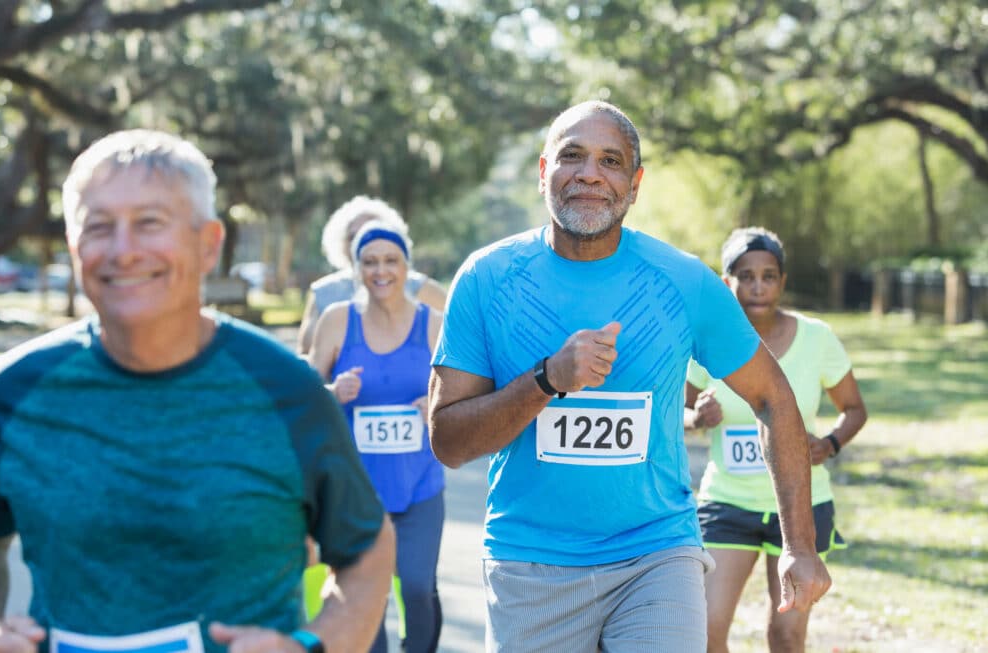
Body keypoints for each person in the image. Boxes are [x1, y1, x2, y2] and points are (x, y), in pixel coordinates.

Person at [0, 129, 395, 653]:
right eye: (99, 228)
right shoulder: (11, 394)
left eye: (150, 223)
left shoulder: (287, 391)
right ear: (77, 249)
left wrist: (312, 645)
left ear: (208, 243)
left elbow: (368, 551)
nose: (124, 251)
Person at [428, 101, 832, 652]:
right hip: (529, 562)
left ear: (634, 184)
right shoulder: (486, 278)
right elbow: (448, 442)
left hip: (655, 552)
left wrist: (800, 545)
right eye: (572, 156)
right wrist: (546, 380)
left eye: (610, 161)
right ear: (544, 171)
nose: (590, 173)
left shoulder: (684, 281)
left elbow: (773, 399)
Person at [684, 227, 867, 653]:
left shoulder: (817, 338)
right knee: (706, 629)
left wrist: (832, 444)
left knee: (785, 635)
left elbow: (854, 409)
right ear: (726, 281)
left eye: (769, 276)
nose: (758, 286)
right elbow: (677, 410)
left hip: (802, 505)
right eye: (745, 276)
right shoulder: (709, 340)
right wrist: (697, 418)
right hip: (727, 502)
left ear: (783, 281)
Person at [308, 220, 445, 653]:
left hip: (420, 483)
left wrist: (435, 405)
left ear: (407, 266)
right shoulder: (336, 321)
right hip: (357, 489)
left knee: (419, 586)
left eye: (391, 260)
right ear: (357, 268)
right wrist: (334, 392)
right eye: (370, 262)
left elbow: (463, 391)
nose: (381, 270)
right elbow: (307, 400)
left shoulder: (433, 323)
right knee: (368, 594)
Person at [296, 196, 446, 355]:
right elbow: (306, 357)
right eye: (354, 236)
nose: (364, 242)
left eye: (372, 231)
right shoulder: (324, 292)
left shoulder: (422, 288)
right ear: (341, 242)